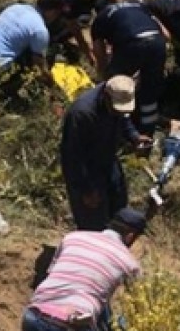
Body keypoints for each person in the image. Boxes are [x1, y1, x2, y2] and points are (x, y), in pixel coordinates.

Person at [60, 78, 147, 230]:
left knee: (120, 214)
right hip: (86, 172)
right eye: (116, 109)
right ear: (106, 96)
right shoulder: (81, 114)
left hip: (108, 162)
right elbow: (72, 157)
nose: (119, 112)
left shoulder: (119, 96)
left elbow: (123, 117)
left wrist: (134, 136)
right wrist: (86, 190)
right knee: (93, 224)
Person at [90, 1, 167, 135]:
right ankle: (148, 132)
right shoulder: (139, 6)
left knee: (117, 88)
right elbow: (166, 35)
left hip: (132, 43)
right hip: (157, 42)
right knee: (150, 90)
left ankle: (122, 130)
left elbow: (98, 51)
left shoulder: (100, 19)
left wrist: (105, 75)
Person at [0, 0, 70, 92]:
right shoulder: (40, 29)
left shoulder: (15, 7)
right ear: (52, 11)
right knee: (38, 58)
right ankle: (7, 92)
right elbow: (39, 68)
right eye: (58, 13)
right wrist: (52, 86)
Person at [46, 0, 122, 62]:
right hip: (51, 17)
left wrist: (122, 14)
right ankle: (56, 40)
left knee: (101, 3)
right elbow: (75, 29)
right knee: (81, 20)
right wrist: (89, 54)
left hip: (70, 5)